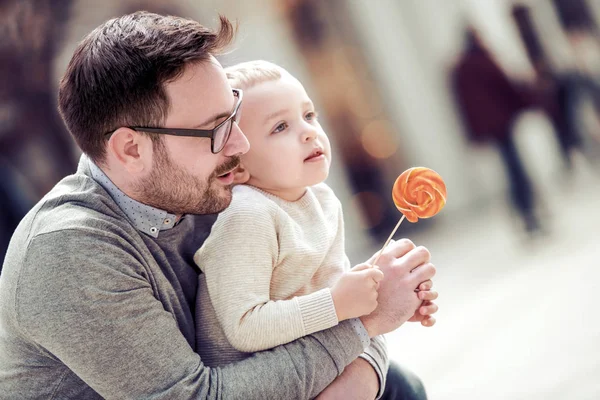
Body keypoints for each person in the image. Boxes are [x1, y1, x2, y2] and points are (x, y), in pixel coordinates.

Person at [0, 12, 438, 399]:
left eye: (235, 116)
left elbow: (332, 302)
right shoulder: (66, 254)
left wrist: (371, 335)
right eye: (215, 130)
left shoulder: (204, 187)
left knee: (401, 384)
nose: (241, 144)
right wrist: (364, 326)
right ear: (130, 149)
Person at [193, 61, 438, 380]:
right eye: (280, 127)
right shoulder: (247, 216)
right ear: (236, 166)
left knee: (397, 381)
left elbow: (329, 289)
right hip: (262, 379)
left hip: (312, 362)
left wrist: (383, 298)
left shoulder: (323, 200)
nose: (309, 132)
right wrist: (338, 303)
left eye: (308, 116)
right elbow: (245, 327)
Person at [452, 27, 541, 233]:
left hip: (492, 128)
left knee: (510, 168)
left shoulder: (461, 68)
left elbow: (464, 104)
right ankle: (528, 211)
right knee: (515, 168)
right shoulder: (482, 61)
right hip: (502, 124)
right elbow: (504, 85)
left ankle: (524, 212)